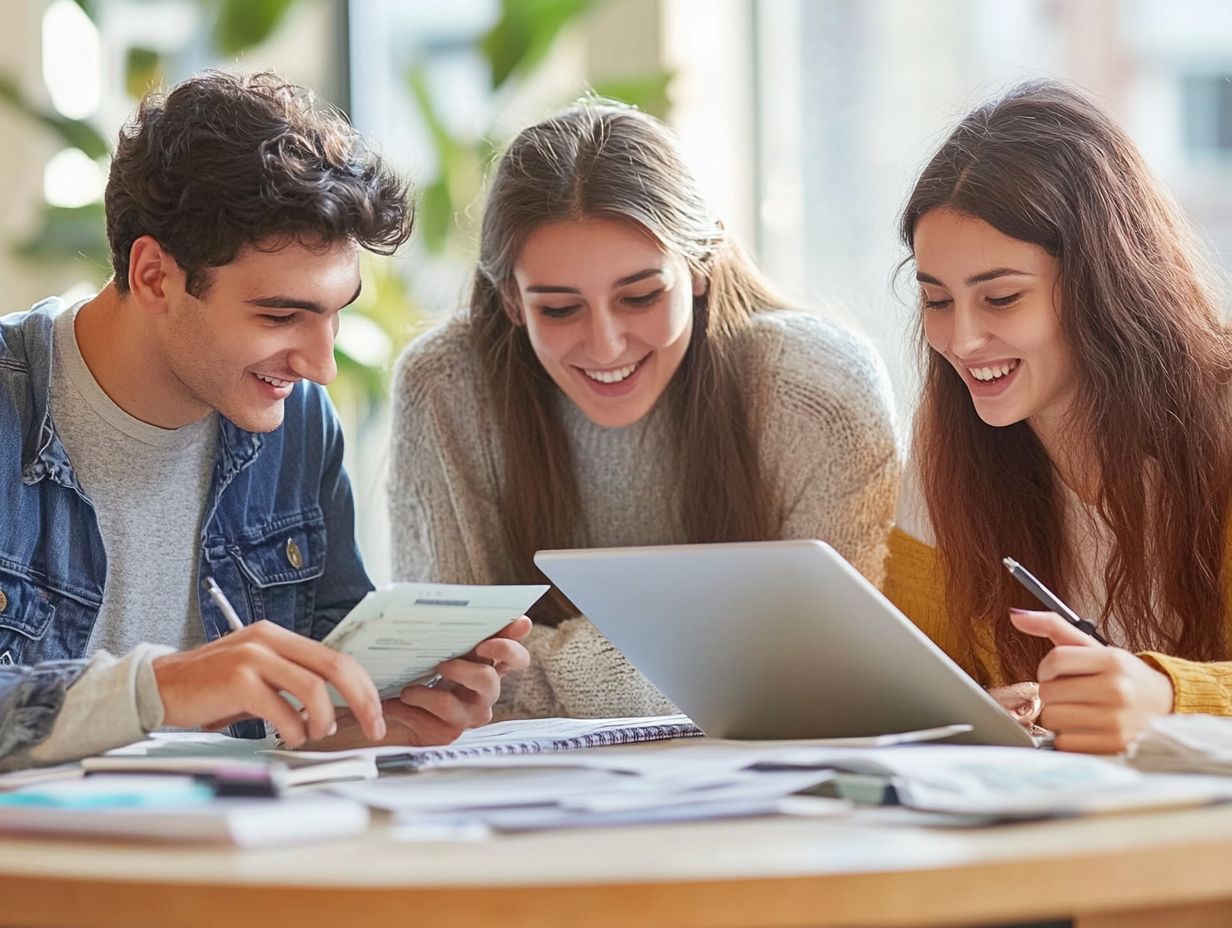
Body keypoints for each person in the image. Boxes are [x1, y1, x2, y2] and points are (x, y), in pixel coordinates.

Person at [0, 70, 530, 772]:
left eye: (336, 312)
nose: (321, 365)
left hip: (232, 854)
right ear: (155, 276)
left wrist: (368, 714)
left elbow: (306, 701)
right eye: (281, 315)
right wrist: (160, 688)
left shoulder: (297, 424)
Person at [388, 100, 899, 719]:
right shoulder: (446, 386)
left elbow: (830, 661)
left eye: (639, 296)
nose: (605, 345)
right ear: (512, 303)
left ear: (701, 268)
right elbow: (448, 676)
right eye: (558, 308)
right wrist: (723, 655)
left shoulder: (818, 390)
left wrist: (538, 671)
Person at [884, 80, 1232, 754]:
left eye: (1002, 298)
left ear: (1105, 280)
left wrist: (1163, 696)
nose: (960, 340)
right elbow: (919, 684)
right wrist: (983, 715)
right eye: (936, 301)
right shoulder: (950, 451)